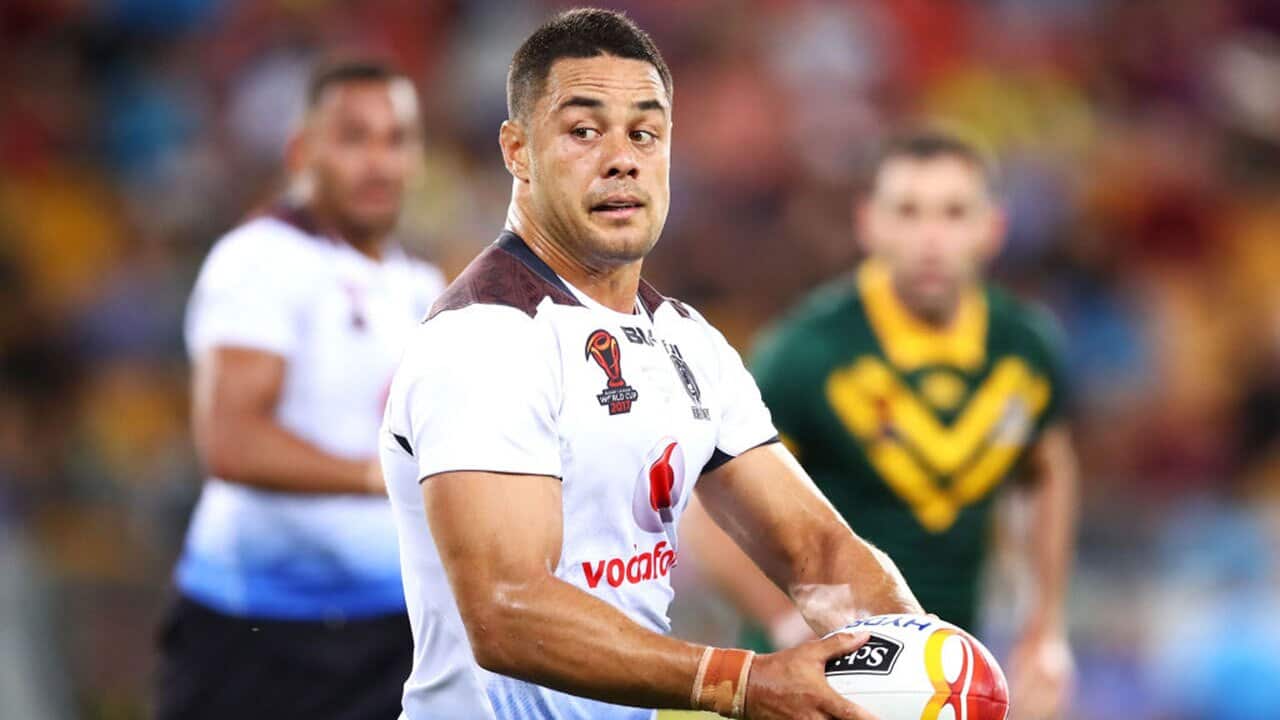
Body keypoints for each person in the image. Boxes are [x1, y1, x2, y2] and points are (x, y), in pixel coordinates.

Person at [379, 8, 924, 720]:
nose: (622, 158)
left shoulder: (689, 343)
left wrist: (921, 656)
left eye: (645, 133)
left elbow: (819, 555)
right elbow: (508, 611)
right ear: (517, 151)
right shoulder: (486, 337)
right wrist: (742, 682)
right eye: (583, 131)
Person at [709, 129, 1077, 719]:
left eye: (953, 213)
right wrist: (784, 623)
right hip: (824, 674)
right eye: (907, 212)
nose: (930, 239)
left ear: (993, 228)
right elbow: (709, 505)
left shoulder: (1025, 348)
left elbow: (1048, 469)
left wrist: (1045, 625)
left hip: (950, 672)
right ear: (869, 223)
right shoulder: (806, 352)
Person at [156, 59, 445, 720]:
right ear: (300, 151)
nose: (378, 161)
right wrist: (382, 478)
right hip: (259, 632)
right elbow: (232, 443)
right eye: (353, 137)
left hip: (392, 629)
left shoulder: (421, 286)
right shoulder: (262, 259)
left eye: (396, 139)